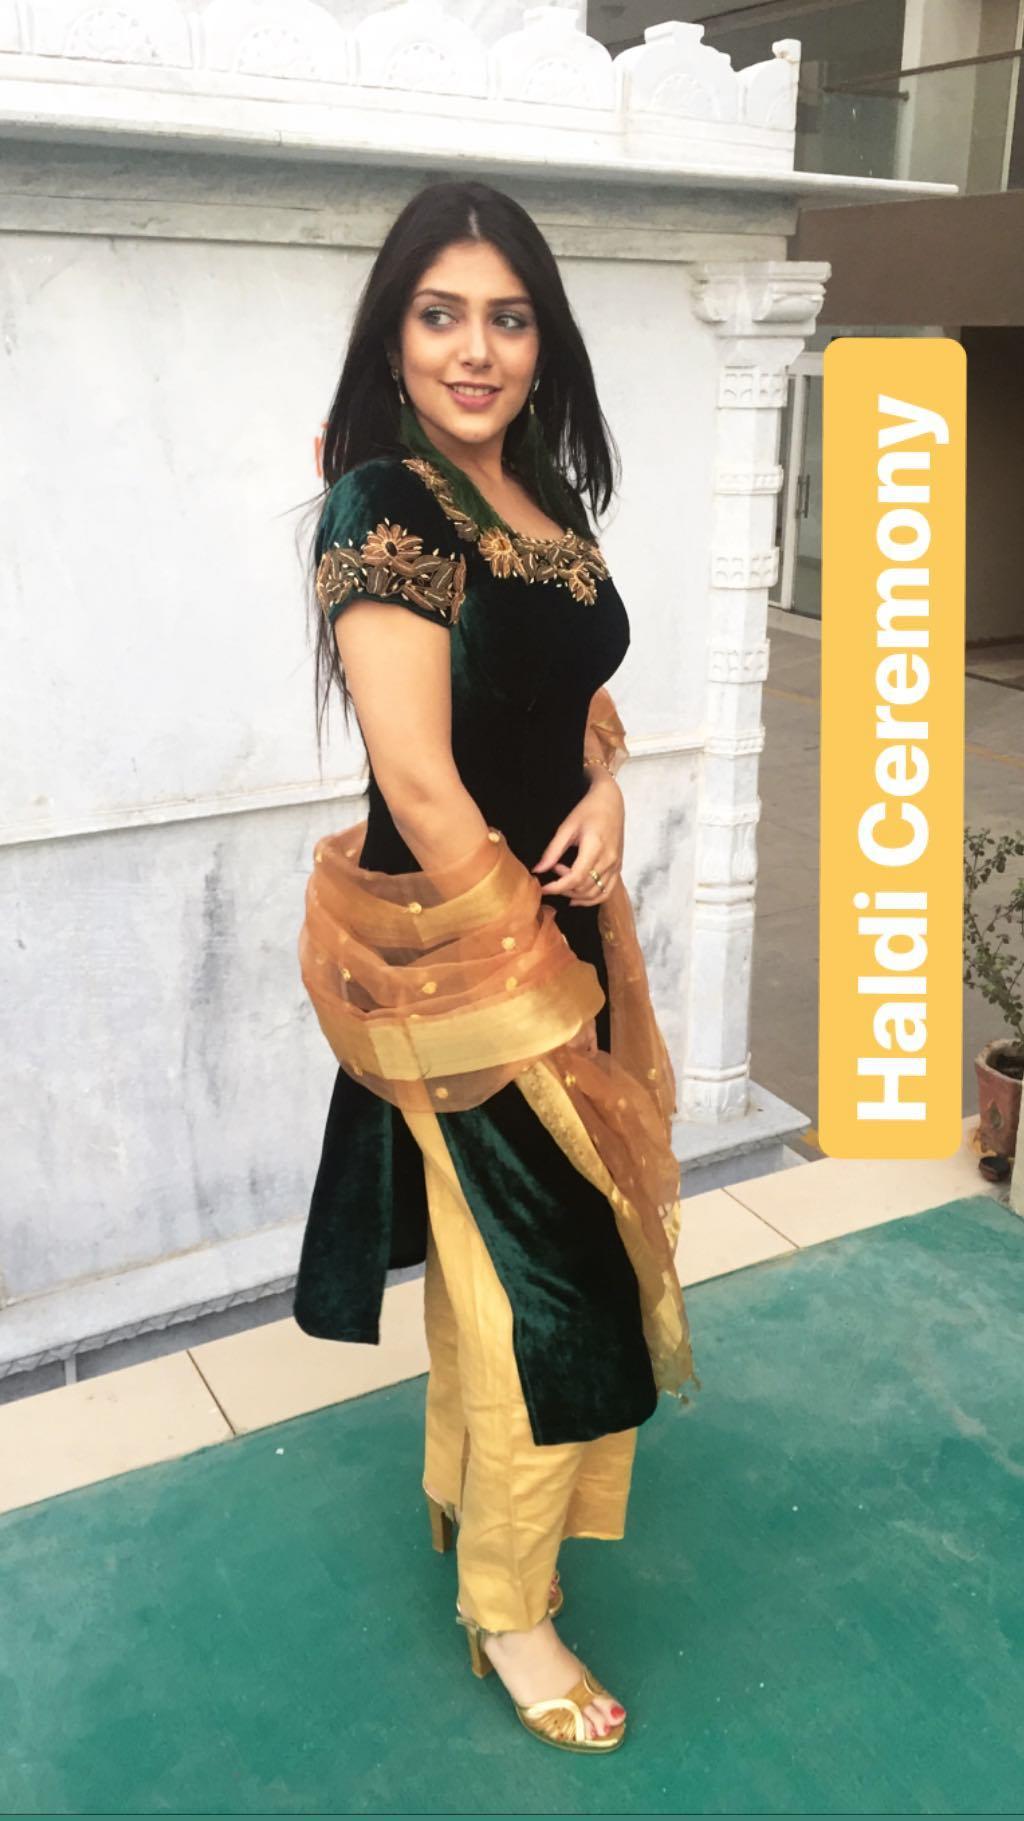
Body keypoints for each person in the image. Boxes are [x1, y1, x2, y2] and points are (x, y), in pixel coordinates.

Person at [294, 178, 699, 1755]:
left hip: (559, 932)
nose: (477, 349)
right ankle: (511, 1610)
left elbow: (562, 692)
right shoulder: (384, 503)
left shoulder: (540, 493)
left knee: (500, 1263)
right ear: (394, 336)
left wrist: (607, 786)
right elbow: (420, 776)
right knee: (561, 1284)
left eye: (508, 318)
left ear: (545, 340)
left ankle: (472, 1501)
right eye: (442, 314)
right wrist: (526, 971)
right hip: (464, 957)